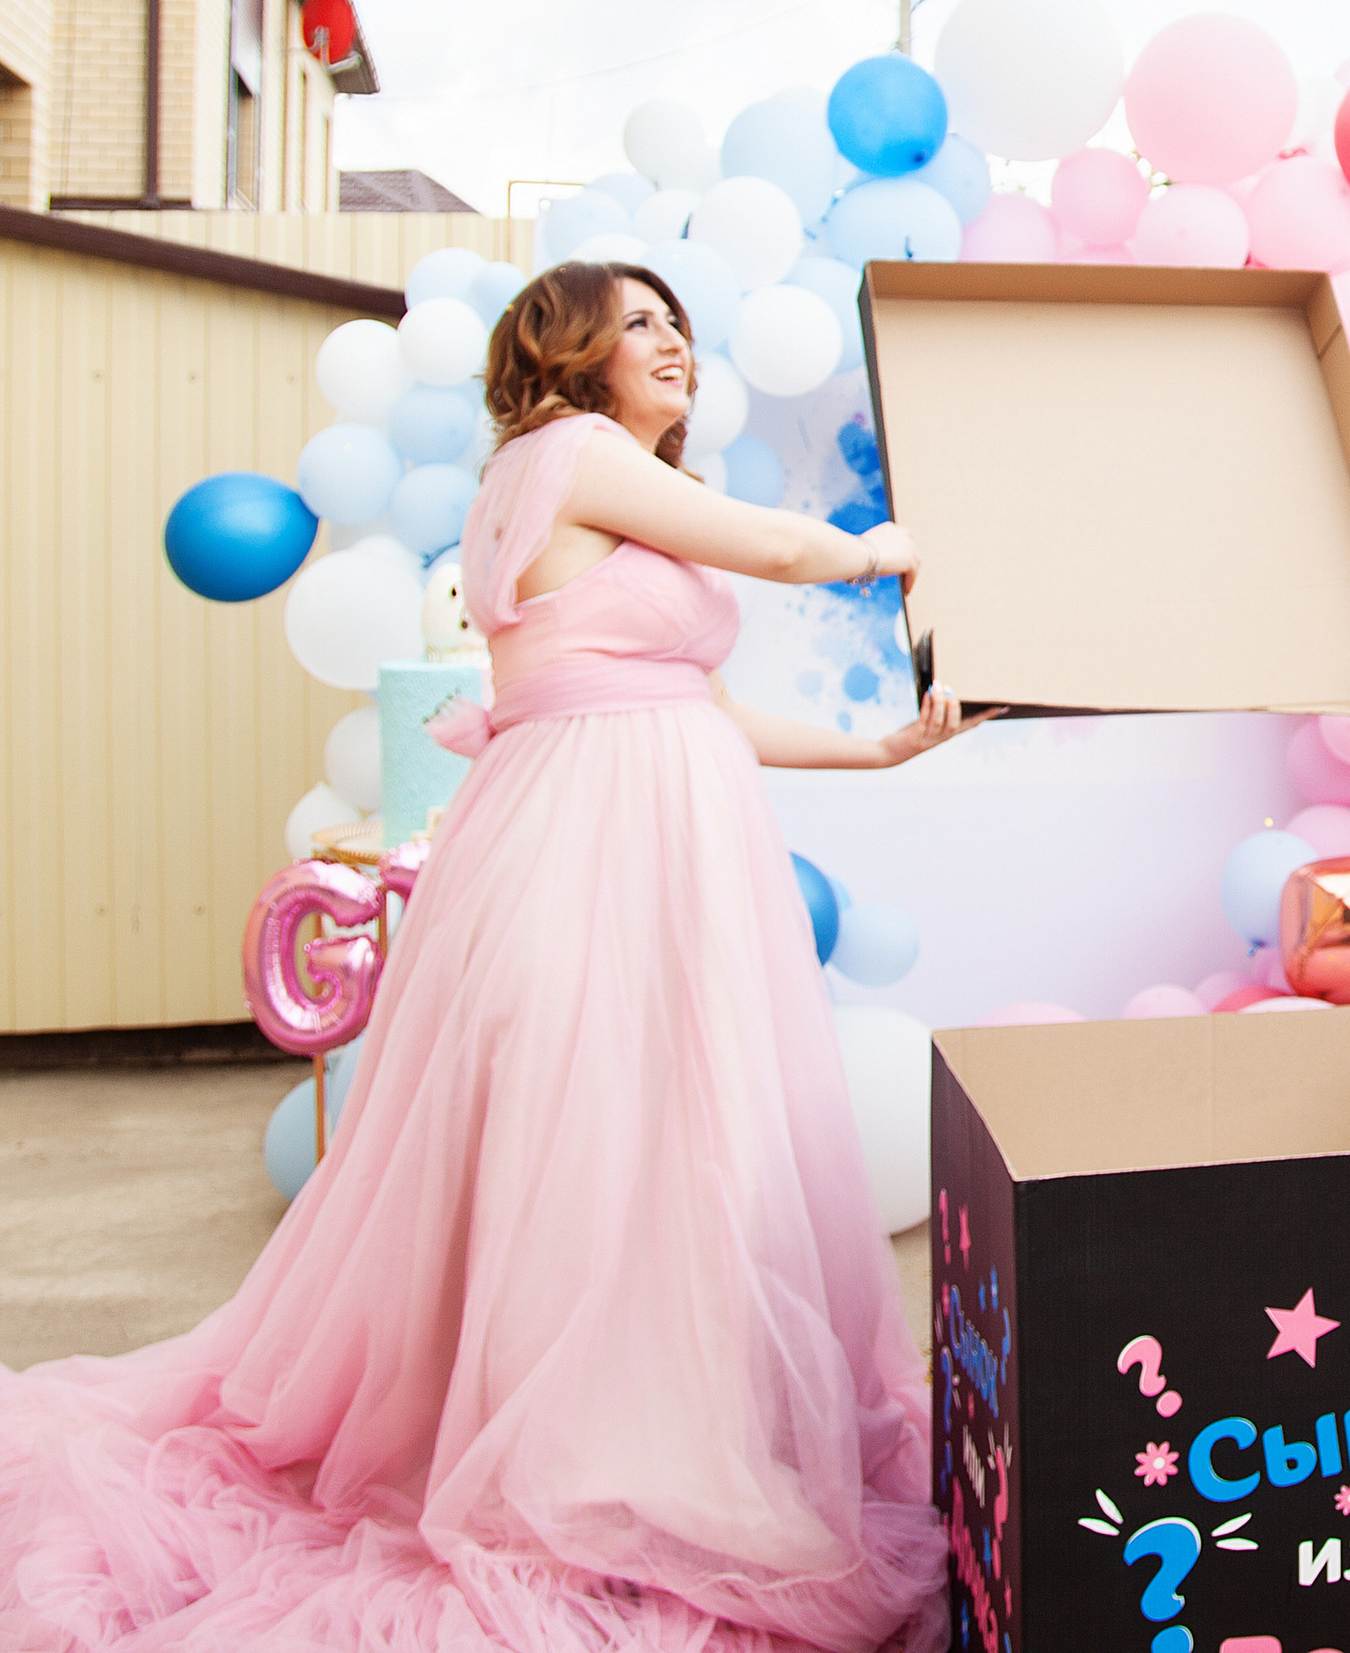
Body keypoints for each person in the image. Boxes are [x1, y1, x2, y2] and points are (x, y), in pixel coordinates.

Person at [0, 263, 967, 1650]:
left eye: (676, 320)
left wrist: (880, 750)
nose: (673, 342)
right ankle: (587, 1452)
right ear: (570, 356)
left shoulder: (602, 490)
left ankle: (649, 1416)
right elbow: (787, 550)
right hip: (596, 838)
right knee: (601, 1132)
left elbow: (716, 709)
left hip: (653, 822)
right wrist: (900, 547)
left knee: (656, 1136)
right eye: (638, 324)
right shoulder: (569, 452)